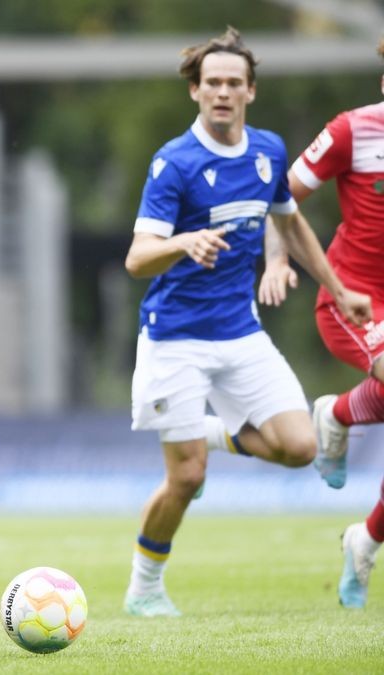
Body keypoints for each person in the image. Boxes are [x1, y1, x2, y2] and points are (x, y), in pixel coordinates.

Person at [122, 27, 372, 618]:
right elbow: (137, 259)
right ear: (196, 91)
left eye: (234, 83)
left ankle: (207, 431)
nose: (223, 93)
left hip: (239, 331)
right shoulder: (174, 163)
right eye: (213, 83)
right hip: (174, 338)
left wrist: (339, 290)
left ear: (251, 91)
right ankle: (145, 587)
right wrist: (183, 242)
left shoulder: (267, 151)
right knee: (186, 480)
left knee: (301, 446)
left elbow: (289, 224)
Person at [279, 38, 384, 609]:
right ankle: (340, 413)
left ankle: (364, 540)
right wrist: (276, 259)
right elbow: (281, 196)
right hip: (353, 302)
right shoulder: (352, 131)